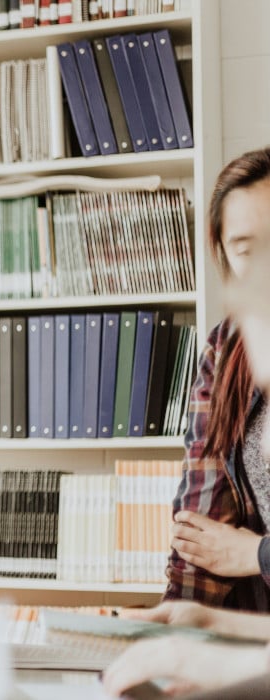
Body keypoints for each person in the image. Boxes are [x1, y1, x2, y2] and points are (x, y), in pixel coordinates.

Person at [165, 147, 270, 611]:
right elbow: (201, 528)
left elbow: (235, 550)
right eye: (247, 250)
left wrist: (254, 553)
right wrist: (175, 622)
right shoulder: (227, 349)